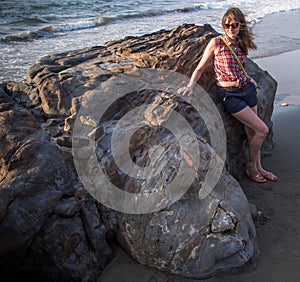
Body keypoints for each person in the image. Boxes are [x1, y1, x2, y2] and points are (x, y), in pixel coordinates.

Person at [178, 7, 277, 183]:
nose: (231, 28)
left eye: (234, 25)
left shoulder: (240, 43)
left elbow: (240, 67)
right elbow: (200, 67)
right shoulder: (216, 43)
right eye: (227, 25)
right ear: (223, 25)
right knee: (263, 130)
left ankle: (260, 168)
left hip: (247, 90)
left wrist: (249, 79)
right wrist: (190, 86)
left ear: (240, 26)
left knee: (252, 131)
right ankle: (251, 167)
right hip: (230, 95)